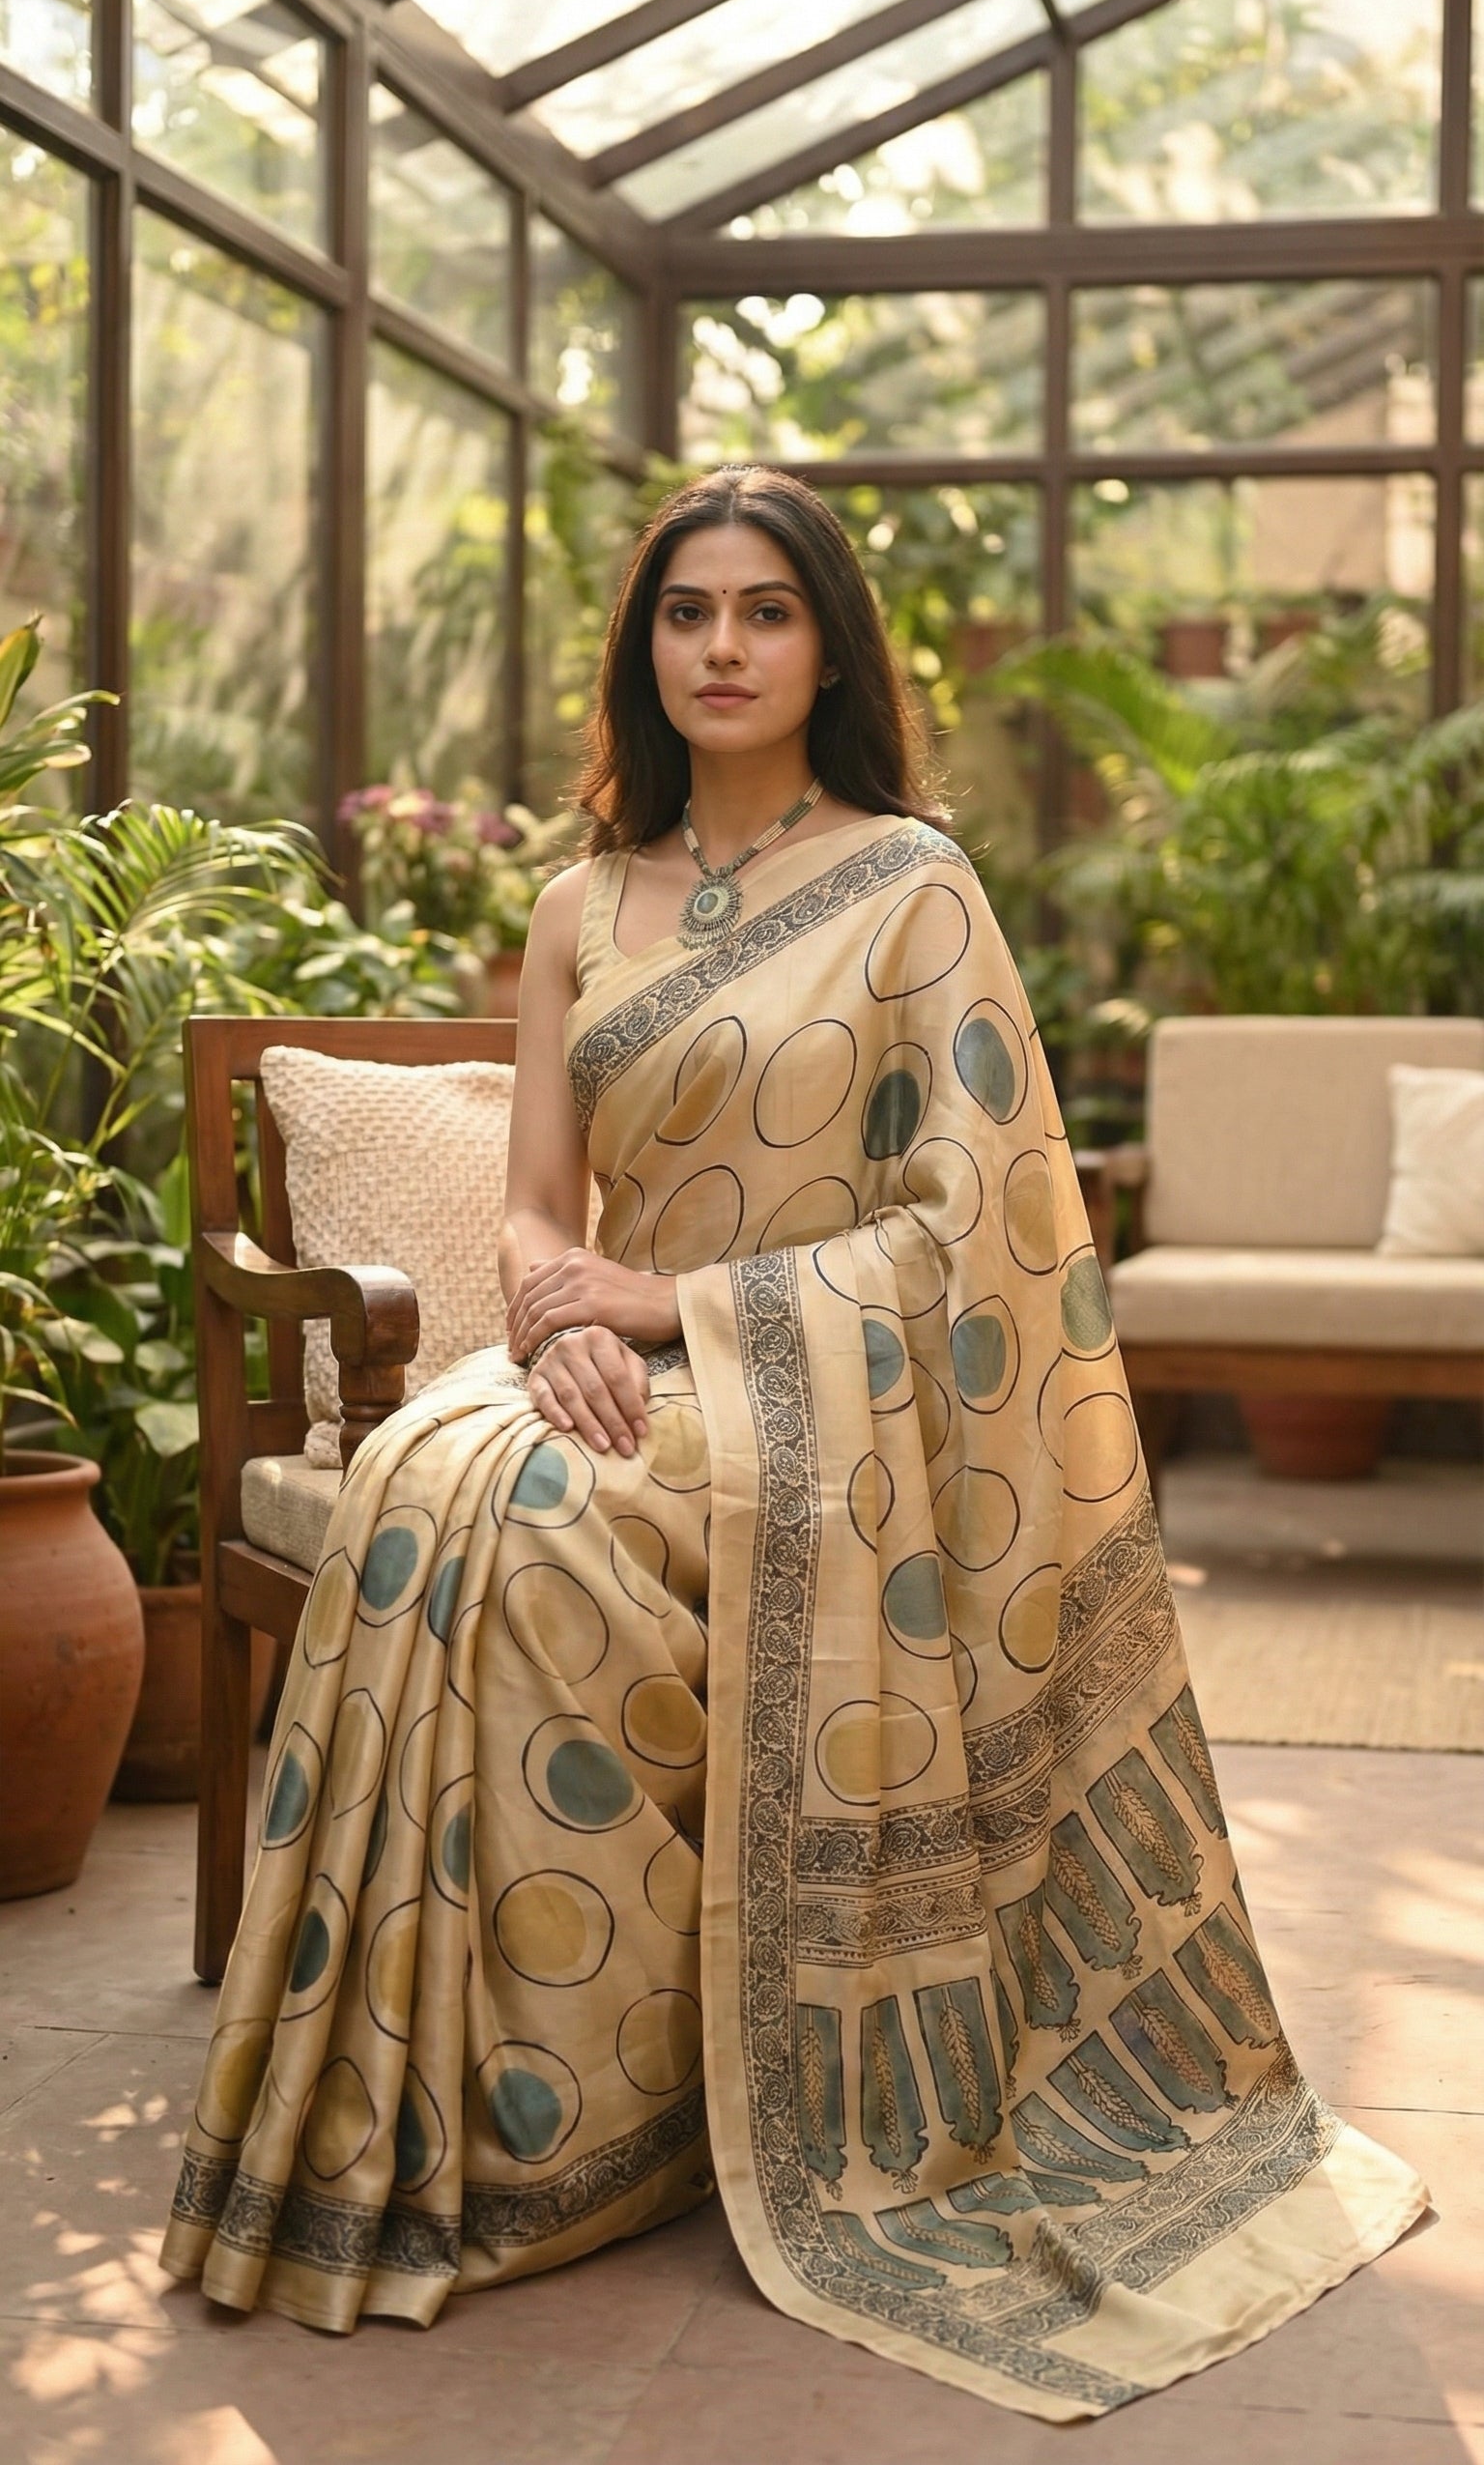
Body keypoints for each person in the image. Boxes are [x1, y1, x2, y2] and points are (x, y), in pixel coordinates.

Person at [162, 466, 1424, 2419]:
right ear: (642, 646)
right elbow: (529, 1204)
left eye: (763, 611)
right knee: (441, 1481)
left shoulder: (912, 879)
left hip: (818, 1393)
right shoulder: (583, 898)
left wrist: (676, 1307)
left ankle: (621, 2088)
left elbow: (974, 1216)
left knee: (529, 1533)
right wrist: (565, 1305)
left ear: (825, 643)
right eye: (687, 612)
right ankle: (499, 2101)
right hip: (603, 1352)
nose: (722, 647)